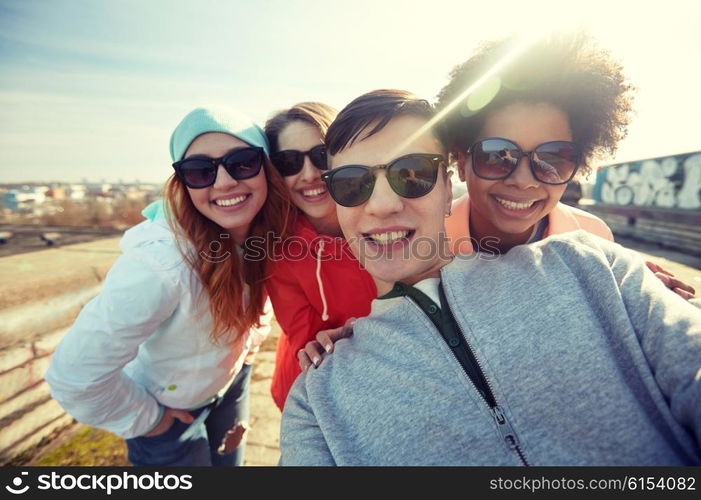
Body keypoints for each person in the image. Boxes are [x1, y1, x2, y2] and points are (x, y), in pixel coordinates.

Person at [279, 89, 701, 465]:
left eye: (412, 175)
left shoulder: (593, 267)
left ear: (448, 186)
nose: (383, 205)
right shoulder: (318, 400)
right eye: (353, 184)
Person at [45, 107, 292, 466]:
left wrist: (249, 349)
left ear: (266, 169)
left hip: (230, 387)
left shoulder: (260, 235)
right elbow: (74, 375)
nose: (223, 182)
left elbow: (252, 301)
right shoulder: (161, 263)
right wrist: (152, 420)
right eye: (200, 171)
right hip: (170, 415)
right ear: (184, 182)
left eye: (242, 163)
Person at [437, 32, 694, 299]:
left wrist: (636, 300)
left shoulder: (593, 236)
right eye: (497, 156)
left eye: (553, 158)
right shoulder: (425, 246)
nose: (524, 180)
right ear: (462, 160)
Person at [263, 103, 376, 410]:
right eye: (289, 162)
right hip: (310, 392)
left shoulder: (383, 220)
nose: (310, 174)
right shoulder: (276, 245)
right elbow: (306, 343)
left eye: (321, 156)